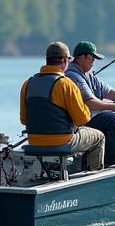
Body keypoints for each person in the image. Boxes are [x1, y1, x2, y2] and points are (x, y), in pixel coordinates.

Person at [20, 42, 105, 171]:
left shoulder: (27, 83)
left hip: (34, 142)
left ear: (47, 60)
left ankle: (52, 171)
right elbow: (83, 120)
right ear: (65, 60)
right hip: (62, 141)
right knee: (99, 137)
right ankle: (94, 176)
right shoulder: (66, 84)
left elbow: (24, 120)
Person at [65, 41, 115, 167]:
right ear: (82, 57)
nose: (94, 61)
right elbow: (89, 102)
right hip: (82, 121)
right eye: (92, 58)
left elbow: (106, 90)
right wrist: (112, 106)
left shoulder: (88, 74)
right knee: (114, 119)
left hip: (94, 117)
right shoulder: (73, 75)